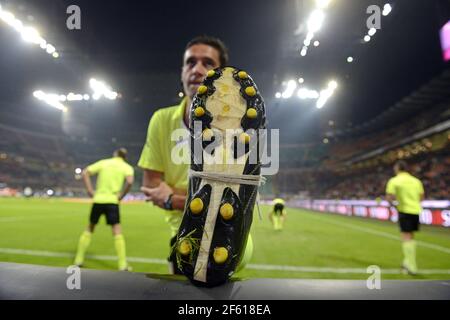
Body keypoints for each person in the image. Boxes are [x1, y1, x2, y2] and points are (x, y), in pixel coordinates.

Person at [138, 35, 253, 273]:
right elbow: (150, 186)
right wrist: (202, 192)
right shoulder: (161, 120)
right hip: (180, 236)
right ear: (182, 72)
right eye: (190, 62)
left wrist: (172, 198)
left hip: (224, 234)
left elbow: (230, 201)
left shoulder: (237, 127)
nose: (197, 69)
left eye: (208, 63)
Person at [74, 148, 134, 271]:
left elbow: (85, 173)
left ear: (115, 154)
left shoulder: (104, 162)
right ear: (125, 157)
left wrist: (90, 190)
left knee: (90, 227)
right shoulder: (126, 167)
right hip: (112, 201)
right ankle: (122, 265)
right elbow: (130, 181)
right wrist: (122, 195)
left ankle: (78, 260)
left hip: (98, 199)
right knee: (117, 230)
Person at [385, 160, 425, 275]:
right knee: (411, 235)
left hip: (404, 210)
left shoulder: (394, 180)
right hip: (415, 210)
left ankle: (412, 267)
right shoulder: (416, 181)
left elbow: (389, 197)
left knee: (406, 236)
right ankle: (407, 262)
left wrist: (394, 205)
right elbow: (421, 196)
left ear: (397, 168)